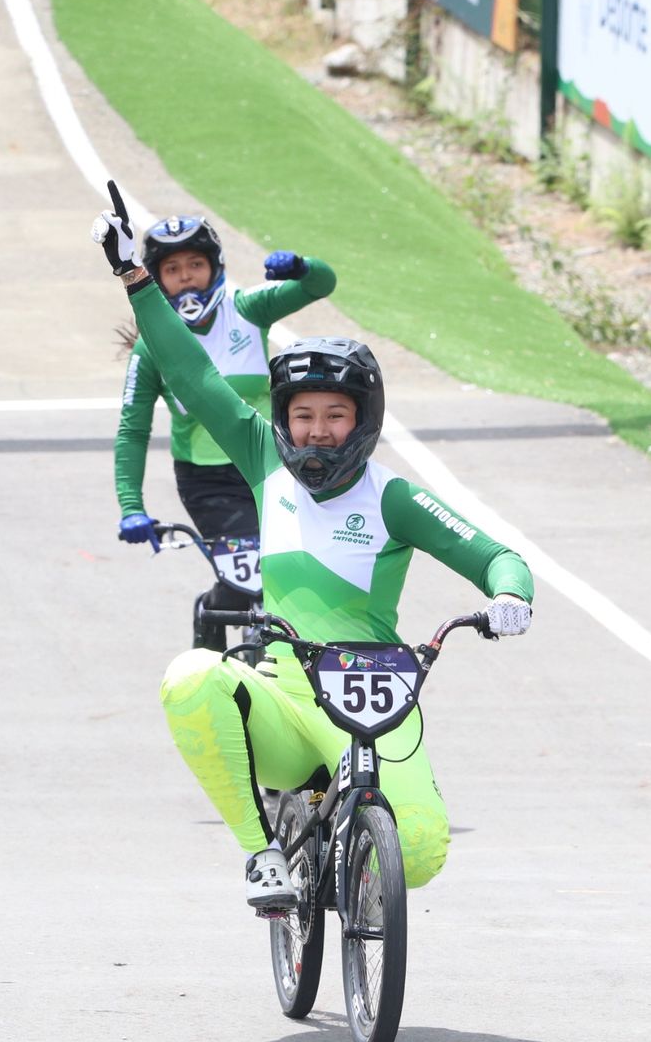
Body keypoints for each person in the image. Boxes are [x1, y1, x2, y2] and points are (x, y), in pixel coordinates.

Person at [93, 184, 534, 910]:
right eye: (303, 416)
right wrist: (135, 279)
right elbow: (189, 371)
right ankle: (262, 851)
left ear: (363, 420)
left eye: (336, 415)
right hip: (291, 701)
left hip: (379, 699)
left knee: (417, 857)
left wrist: (512, 595)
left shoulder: (393, 497)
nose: (319, 431)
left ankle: (360, 857)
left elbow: (494, 556)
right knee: (190, 675)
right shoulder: (262, 458)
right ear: (283, 420)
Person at [113, 213, 337, 645]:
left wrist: (302, 267)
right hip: (208, 481)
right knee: (243, 585)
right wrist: (131, 507)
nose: (187, 280)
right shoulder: (150, 349)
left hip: (272, 466)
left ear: (215, 267)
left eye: (195, 265)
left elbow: (320, 285)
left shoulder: (248, 310)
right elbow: (132, 431)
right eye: (172, 271)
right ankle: (211, 629)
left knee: (294, 577)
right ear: (156, 280)